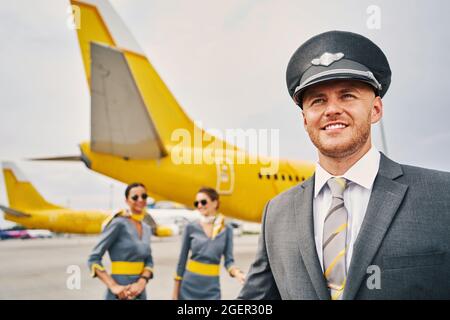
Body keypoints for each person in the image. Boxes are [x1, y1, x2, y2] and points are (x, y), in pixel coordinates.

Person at [239, 30, 450, 300]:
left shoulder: (442, 197)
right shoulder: (277, 214)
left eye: (347, 95)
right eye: (318, 100)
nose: (332, 110)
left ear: (375, 110)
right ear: (305, 120)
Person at [172, 187, 246, 300]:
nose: (199, 205)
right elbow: (181, 262)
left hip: (212, 289)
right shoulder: (190, 227)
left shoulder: (226, 229)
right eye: (197, 203)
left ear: (215, 203)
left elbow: (229, 261)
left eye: (203, 202)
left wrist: (237, 273)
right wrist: (175, 294)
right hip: (188, 288)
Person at [88, 183, 154, 300]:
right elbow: (93, 259)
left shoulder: (147, 228)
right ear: (127, 200)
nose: (140, 200)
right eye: (135, 197)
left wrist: (142, 281)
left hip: (140, 290)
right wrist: (114, 286)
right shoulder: (118, 223)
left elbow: (148, 260)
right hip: (121, 292)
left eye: (143, 196)